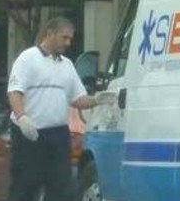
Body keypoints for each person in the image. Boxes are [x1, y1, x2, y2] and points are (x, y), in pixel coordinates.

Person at [7, 16, 110, 201]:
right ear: (50, 34)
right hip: (29, 133)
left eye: (70, 38)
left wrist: (97, 99)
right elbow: (14, 92)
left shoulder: (67, 65)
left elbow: (77, 99)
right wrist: (22, 117)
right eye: (65, 37)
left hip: (58, 135)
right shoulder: (28, 58)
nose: (68, 42)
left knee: (61, 188)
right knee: (25, 186)